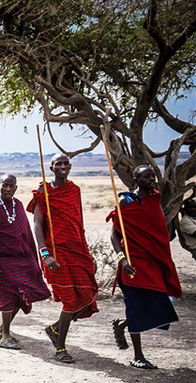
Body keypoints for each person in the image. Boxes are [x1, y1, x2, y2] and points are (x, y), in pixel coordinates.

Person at [108, 165, 182, 369]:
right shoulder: (126, 201)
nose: (152, 180)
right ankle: (138, 356)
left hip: (153, 262)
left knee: (160, 305)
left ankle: (124, 324)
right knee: (135, 307)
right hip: (132, 265)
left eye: (153, 176)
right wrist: (122, 260)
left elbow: (156, 231)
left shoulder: (155, 199)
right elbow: (115, 234)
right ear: (136, 179)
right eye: (146, 177)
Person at [28, 154, 99, 362]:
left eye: (66, 163)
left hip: (77, 249)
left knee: (87, 294)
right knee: (69, 299)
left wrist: (86, 251)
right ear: (51, 168)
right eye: (58, 163)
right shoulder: (44, 192)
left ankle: (54, 329)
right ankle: (60, 348)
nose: (62, 166)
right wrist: (44, 253)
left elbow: (78, 222)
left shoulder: (74, 190)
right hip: (54, 252)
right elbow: (38, 225)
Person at [0, 174, 51, 351]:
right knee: (7, 297)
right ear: (0, 186)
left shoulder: (18, 204)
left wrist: (33, 258)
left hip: (20, 258)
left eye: (12, 186)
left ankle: (1, 329)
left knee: (22, 295)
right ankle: (5, 336)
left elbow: (25, 233)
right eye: (5, 185)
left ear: (16, 188)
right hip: (0, 260)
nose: (8, 189)